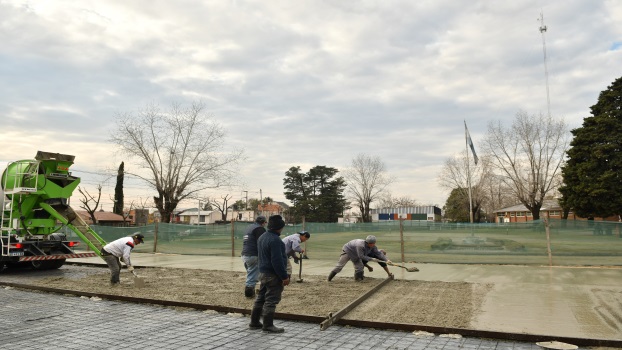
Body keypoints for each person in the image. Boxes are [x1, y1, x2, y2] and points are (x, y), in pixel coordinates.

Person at [248, 215, 290, 333]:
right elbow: (277, 261)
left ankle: (254, 322)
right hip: (273, 275)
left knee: (260, 298)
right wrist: (284, 276)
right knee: (271, 300)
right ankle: (268, 325)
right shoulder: (276, 240)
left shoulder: (262, 237)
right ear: (280, 227)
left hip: (263, 273)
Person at [327, 235, 392, 282]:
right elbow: (361, 256)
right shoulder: (360, 245)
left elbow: (378, 253)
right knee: (340, 266)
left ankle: (358, 279)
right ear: (367, 242)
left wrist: (387, 260)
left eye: (373, 243)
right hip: (348, 250)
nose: (372, 245)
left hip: (356, 253)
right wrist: (372, 259)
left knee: (359, 266)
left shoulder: (373, 246)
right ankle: (329, 279)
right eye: (371, 243)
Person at [241, 215, 267, 298]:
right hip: (253, 254)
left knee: (254, 273)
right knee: (252, 275)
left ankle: (261, 289)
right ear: (263, 222)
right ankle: (249, 293)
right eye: (265, 222)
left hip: (245, 254)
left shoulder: (250, 227)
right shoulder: (260, 229)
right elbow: (262, 242)